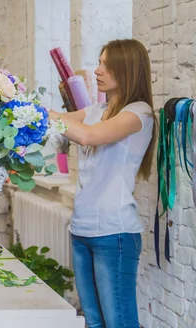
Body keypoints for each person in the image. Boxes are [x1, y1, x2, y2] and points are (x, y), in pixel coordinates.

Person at [48, 39, 156, 328]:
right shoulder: (95, 110)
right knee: (93, 322)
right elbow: (57, 127)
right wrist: (26, 113)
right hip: (81, 230)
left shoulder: (139, 114)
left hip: (115, 234)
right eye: (99, 62)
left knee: (118, 323)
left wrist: (46, 113)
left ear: (127, 70)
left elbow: (87, 137)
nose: (98, 70)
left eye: (106, 65)